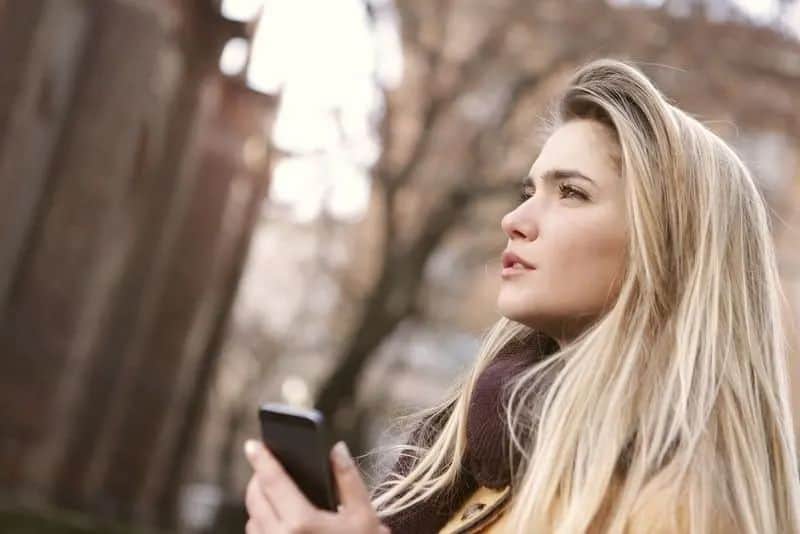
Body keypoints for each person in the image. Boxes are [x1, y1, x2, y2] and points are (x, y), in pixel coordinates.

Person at [241, 58, 800, 533]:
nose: (515, 219)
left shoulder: (681, 507)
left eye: (572, 193)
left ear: (670, 247)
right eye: (529, 191)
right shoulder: (473, 454)